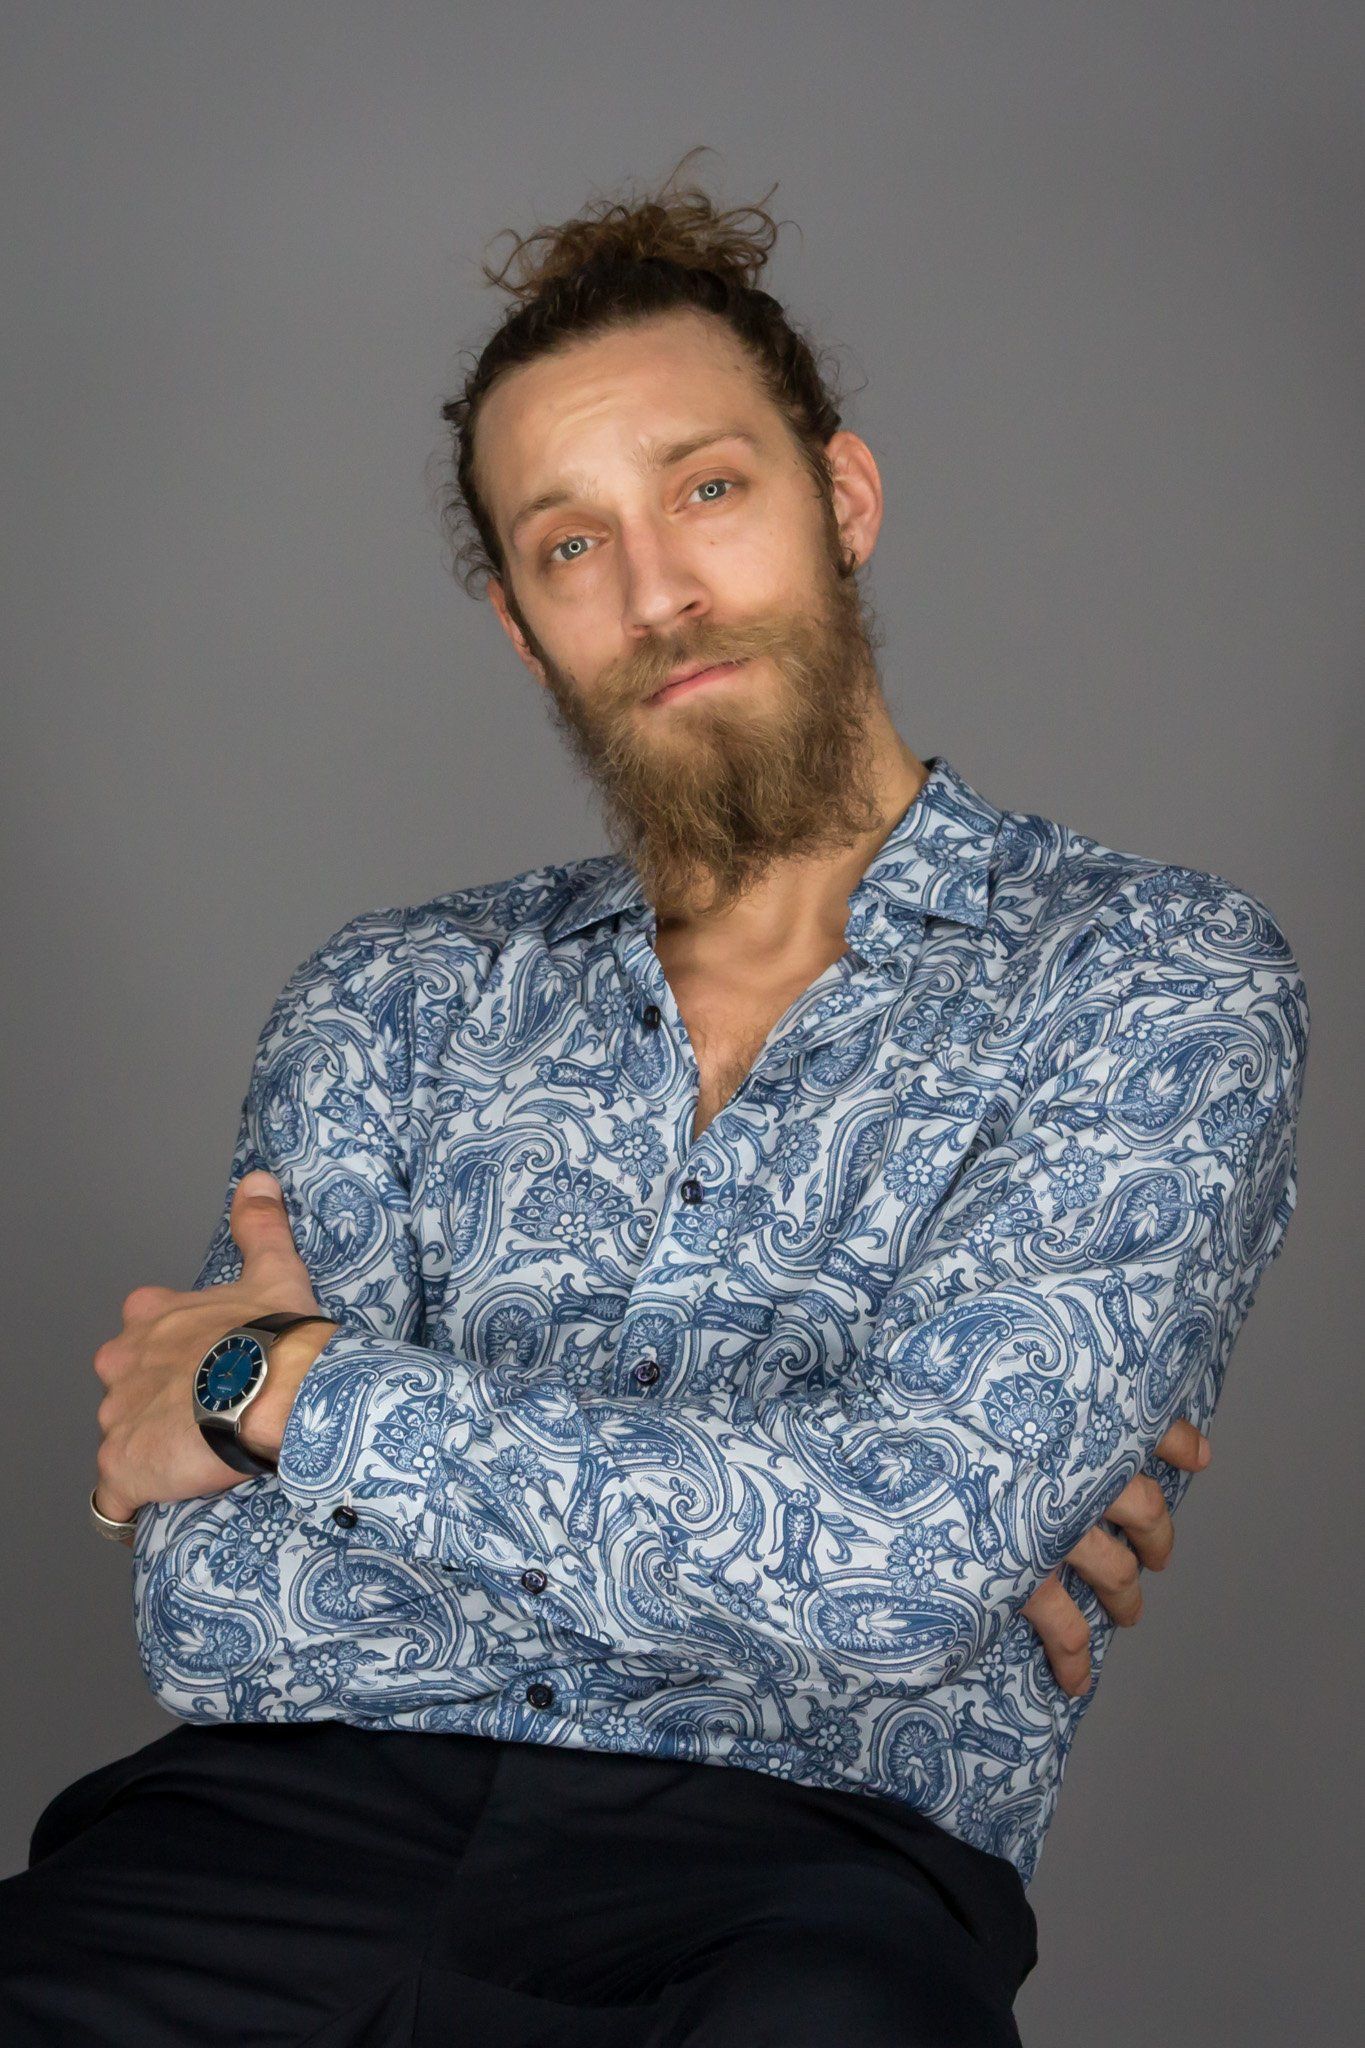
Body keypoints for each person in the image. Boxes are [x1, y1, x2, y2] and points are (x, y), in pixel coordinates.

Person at [0, 149, 1310, 2046]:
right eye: (569, 543)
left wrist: (285, 1395)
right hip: (259, 1841)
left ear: (839, 499)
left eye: (707, 489)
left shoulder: (1148, 978)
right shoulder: (393, 998)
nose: (659, 592)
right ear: (520, 626)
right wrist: (821, 1535)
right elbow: (212, 1608)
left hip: (798, 1880)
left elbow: (894, 1578)